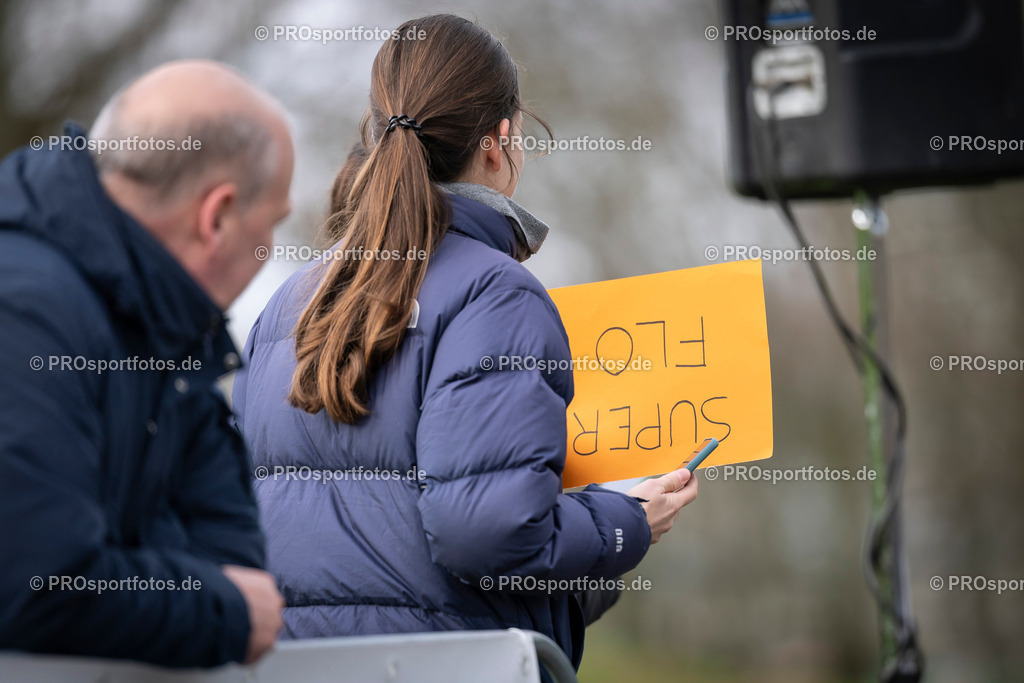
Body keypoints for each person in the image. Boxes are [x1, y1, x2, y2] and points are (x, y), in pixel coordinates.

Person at [232, 14, 697, 669]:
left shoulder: (287, 302)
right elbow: (488, 533)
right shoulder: (496, 292)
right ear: (499, 139)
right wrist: (622, 520)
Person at [0, 60, 293, 667]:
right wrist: (225, 612)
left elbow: (228, 554)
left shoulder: (171, 336)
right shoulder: (26, 308)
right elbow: (36, 581)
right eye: (274, 226)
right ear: (217, 217)